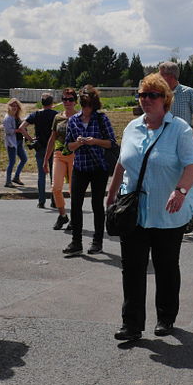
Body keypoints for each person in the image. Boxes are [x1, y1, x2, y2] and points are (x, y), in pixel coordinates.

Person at [106, 73, 193, 341]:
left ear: (165, 99)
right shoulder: (132, 127)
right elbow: (122, 163)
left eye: (153, 95)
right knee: (132, 268)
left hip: (168, 213)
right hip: (134, 211)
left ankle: (166, 317)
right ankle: (131, 324)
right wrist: (111, 194)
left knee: (166, 266)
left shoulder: (179, 129)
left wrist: (181, 190)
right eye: (142, 95)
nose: (146, 100)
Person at [62, 85, 117, 257]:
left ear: (94, 105)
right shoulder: (73, 120)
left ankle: (97, 242)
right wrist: (78, 143)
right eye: (83, 105)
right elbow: (68, 147)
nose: (85, 109)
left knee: (96, 205)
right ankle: (76, 242)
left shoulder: (101, 119)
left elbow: (112, 143)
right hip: (80, 167)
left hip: (98, 167)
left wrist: (95, 141)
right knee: (75, 204)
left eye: (89, 106)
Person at [158, 61, 193, 233]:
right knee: (168, 179)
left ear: (170, 76)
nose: (158, 76)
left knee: (187, 180)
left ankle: (189, 215)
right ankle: (170, 214)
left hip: (183, 142)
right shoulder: (160, 94)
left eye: (161, 74)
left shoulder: (188, 92)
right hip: (164, 142)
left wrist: (192, 134)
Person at [44, 88, 78, 230]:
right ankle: (63, 215)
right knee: (56, 187)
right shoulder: (58, 117)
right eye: (64, 99)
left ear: (75, 101)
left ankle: (75, 219)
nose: (67, 102)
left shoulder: (80, 116)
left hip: (75, 155)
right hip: (59, 154)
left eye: (70, 99)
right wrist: (45, 160)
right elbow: (52, 139)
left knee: (73, 190)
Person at [17, 93, 58, 208]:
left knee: (41, 175)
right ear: (52, 103)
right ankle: (54, 200)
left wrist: (30, 138)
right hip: (52, 147)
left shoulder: (36, 114)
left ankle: (41, 201)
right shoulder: (56, 115)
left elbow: (21, 128)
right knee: (53, 176)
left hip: (40, 147)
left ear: (42, 103)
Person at [3, 98, 27, 188]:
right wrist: (18, 130)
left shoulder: (17, 116)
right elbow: (8, 131)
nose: (14, 107)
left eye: (16, 106)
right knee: (12, 162)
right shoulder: (7, 118)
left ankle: (16, 177)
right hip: (12, 143)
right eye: (12, 105)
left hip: (19, 141)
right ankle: (8, 181)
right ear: (9, 106)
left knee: (24, 159)